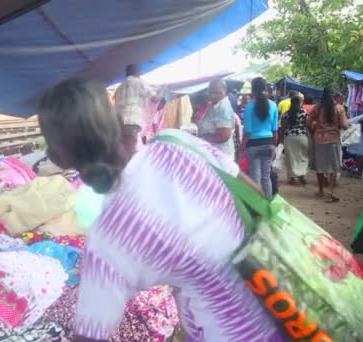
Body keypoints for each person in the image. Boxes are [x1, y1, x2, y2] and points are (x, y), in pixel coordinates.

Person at [37, 79, 284, 342]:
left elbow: (91, 337)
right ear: (116, 119)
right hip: (290, 304)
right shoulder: (176, 142)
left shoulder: (109, 236)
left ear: (60, 157)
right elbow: (255, 195)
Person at [307, 88, 349, 202]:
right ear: (333, 96)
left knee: (320, 166)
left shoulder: (317, 107)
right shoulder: (339, 108)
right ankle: (330, 190)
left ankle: (320, 190)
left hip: (319, 139)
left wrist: (313, 132)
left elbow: (308, 122)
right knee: (334, 166)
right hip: (333, 140)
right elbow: (345, 125)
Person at [242, 77, 279, 199]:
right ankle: (268, 205)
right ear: (265, 88)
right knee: (266, 177)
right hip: (268, 143)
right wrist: (274, 146)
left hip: (253, 145)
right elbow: (275, 130)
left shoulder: (249, 107)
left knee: (255, 178)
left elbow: (247, 131)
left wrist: (241, 147)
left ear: (253, 89)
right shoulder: (273, 105)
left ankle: (257, 207)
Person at [114, 64, 161, 156]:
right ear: (135, 72)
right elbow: (154, 98)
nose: (140, 73)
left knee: (123, 145)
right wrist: (161, 92)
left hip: (119, 122)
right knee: (131, 147)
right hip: (133, 120)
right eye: (139, 71)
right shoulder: (139, 82)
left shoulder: (120, 87)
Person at [198, 79, 236, 159]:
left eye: (217, 92)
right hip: (215, 154)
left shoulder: (223, 108)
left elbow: (224, 136)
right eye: (210, 92)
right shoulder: (215, 105)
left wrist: (204, 138)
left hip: (221, 155)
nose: (213, 95)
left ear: (224, 91)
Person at [282, 95, 309, 185]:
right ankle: (302, 175)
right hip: (302, 137)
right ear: (300, 103)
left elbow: (283, 126)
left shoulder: (286, 113)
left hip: (289, 137)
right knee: (302, 157)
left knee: (290, 158)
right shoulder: (304, 112)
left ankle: (292, 177)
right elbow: (308, 125)